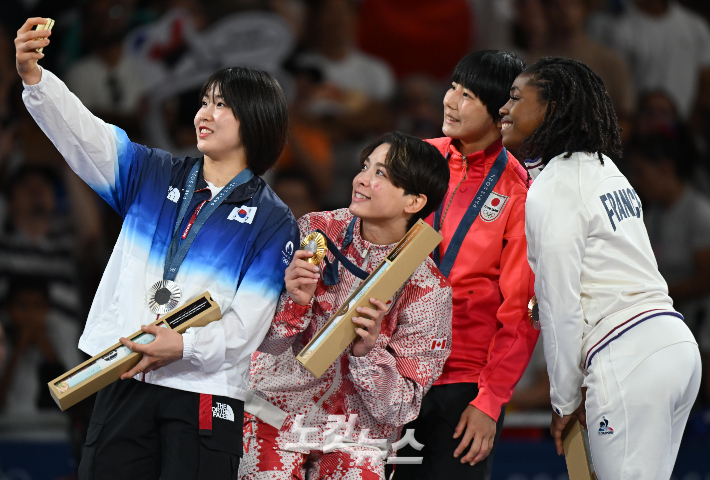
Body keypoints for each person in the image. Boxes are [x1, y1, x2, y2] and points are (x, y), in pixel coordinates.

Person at [15, 17, 299, 479]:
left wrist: (183, 344)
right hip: (124, 374)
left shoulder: (273, 220)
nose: (203, 114)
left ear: (257, 119)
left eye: (221, 105)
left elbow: (248, 326)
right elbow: (85, 135)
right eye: (203, 102)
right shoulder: (152, 173)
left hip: (204, 389)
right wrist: (36, 79)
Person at [499, 56, 701, 479]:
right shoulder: (607, 169)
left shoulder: (553, 186)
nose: (504, 108)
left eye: (516, 98)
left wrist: (564, 401)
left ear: (552, 110)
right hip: (676, 347)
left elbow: (560, 305)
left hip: (626, 355)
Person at [239, 132, 453, 479]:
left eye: (381, 174)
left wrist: (367, 354)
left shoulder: (427, 289)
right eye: (366, 166)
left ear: (414, 201)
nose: (362, 179)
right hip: (275, 411)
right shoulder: (315, 230)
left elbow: (399, 407)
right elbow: (263, 344)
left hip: (357, 437)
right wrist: (294, 304)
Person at [394, 50, 539, 480]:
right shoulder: (414, 161)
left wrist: (490, 402)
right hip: (394, 376)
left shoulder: (518, 192)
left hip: (463, 388)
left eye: (469, 95)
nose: (451, 101)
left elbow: (520, 311)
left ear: (502, 114)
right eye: (453, 87)